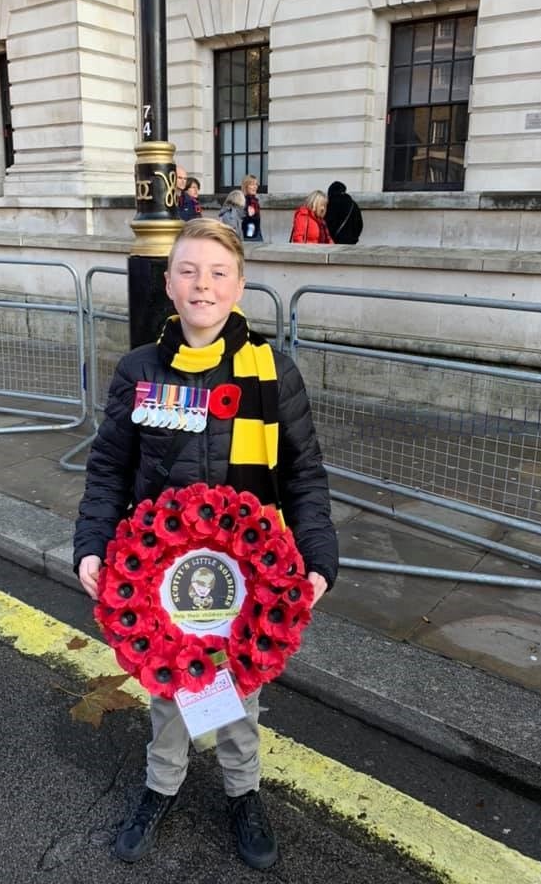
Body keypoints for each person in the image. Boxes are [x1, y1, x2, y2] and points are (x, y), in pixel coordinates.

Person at [74, 217, 338, 870]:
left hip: (250, 579)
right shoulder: (138, 370)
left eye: (218, 273)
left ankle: (242, 793)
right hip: (165, 578)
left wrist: (318, 557)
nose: (203, 285)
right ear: (168, 283)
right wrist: (92, 544)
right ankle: (160, 786)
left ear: (239, 285)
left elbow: (303, 473)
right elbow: (109, 467)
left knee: (240, 693)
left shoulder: (273, 371)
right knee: (168, 689)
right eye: (189, 270)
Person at [325, 181, 363, 245]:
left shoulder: (331, 203)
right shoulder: (353, 204)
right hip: (351, 243)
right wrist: (354, 238)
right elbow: (360, 225)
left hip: (334, 243)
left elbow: (328, 223)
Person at [240, 174, 263, 242]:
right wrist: (248, 215)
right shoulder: (242, 201)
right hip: (248, 237)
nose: (255, 187)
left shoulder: (255, 201)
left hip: (256, 234)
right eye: (252, 184)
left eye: (256, 184)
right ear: (246, 186)